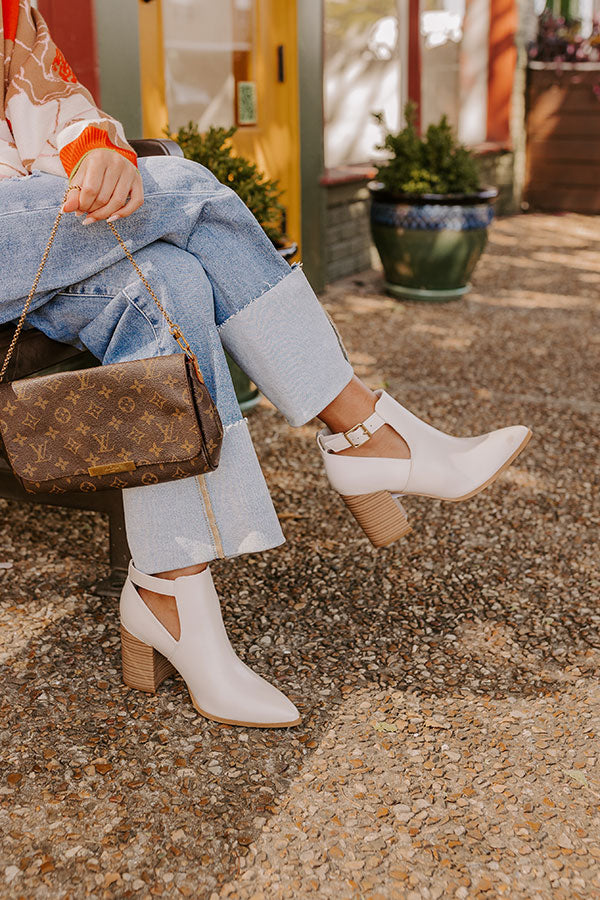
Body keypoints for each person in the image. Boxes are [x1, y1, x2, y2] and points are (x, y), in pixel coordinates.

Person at [0, 0, 531, 728]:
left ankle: (169, 590)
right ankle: (360, 429)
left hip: (34, 234)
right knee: (187, 186)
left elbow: (52, 97)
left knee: (173, 284)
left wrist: (94, 146)